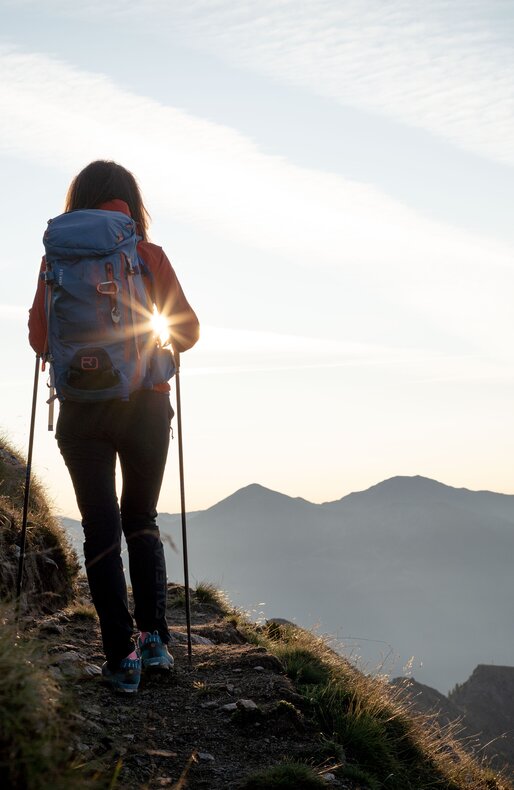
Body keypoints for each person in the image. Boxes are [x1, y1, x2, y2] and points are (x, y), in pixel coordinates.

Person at [28, 160, 200, 692]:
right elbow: (188, 331)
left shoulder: (55, 259)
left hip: (81, 411)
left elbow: (39, 337)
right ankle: (154, 643)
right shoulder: (146, 255)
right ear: (131, 203)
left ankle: (120, 658)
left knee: (100, 530)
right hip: (145, 406)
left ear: (77, 201)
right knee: (141, 521)